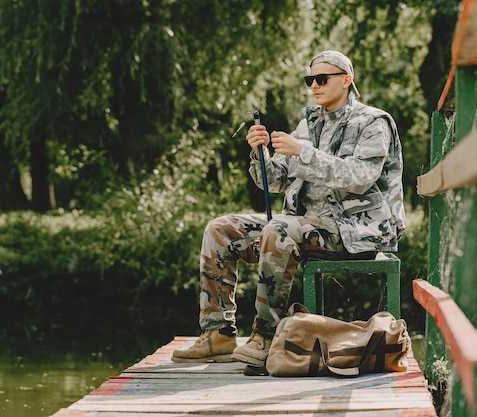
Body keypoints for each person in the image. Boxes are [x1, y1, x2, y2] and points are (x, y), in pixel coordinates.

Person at [171, 50, 405, 367]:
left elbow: (359, 178)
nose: (315, 86)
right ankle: (218, 335)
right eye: (311, 80)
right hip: (303, 226)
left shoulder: (373, 123)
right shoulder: (307, 126)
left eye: (322, 79)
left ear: (347, 80)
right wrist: (260, 154)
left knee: (278, 230)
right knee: (221, 229)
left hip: (355, 230)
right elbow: (275, 181)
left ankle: (266, 337)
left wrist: (304, 153)